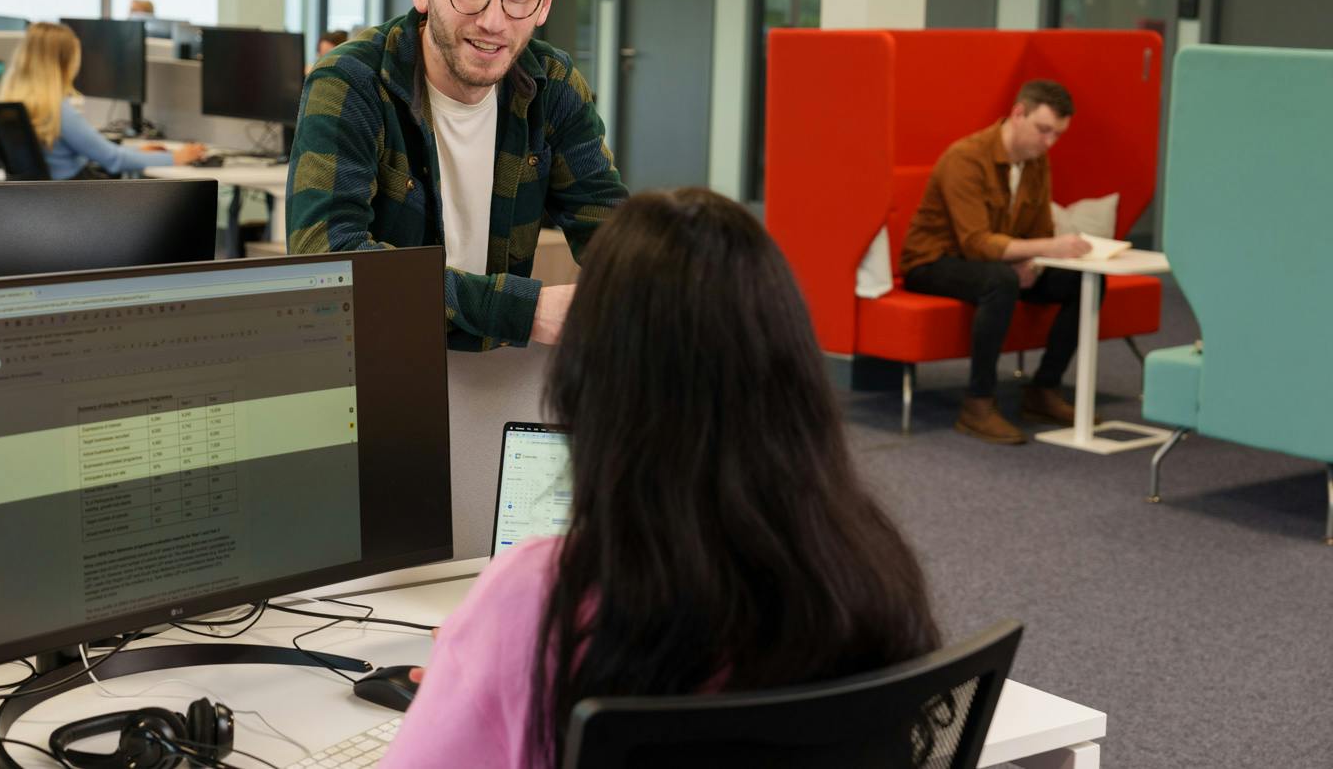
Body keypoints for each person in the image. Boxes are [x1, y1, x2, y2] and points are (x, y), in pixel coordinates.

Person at [381, 189, 941, 768]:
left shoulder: (540, 596)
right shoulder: (863, 569)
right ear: (793, 372)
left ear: (591, 384)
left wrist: (473, 668)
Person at [287, 0, 628, 351]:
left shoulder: (553, 84)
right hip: (373, 368)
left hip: (494, 379)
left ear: (545, 1)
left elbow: (610, 228)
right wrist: (523, 311)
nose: (493, 21)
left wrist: (675, 283)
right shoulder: (350, 81)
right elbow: (326, 261)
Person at [899, 80, 1094, 445]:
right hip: (933, 262)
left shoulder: (1037, 162)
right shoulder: (966, 157)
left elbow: (1038, 230)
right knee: (999, 281)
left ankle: (1044, 389)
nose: (1049, 142)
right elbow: (975, 243)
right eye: (1043, 130)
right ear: (1018, 114)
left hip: (994, 261)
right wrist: (1044, 250)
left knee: (1079, 282)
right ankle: (978, 405)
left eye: (1058, 134)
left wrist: (1034, 263)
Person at [0, 22, 202, 179]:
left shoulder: (16, 104)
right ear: (64, 63)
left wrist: (137, 152)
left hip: (45, 202)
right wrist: (177, 157)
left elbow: (98, 153)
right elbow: (114, 160)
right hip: (77, 201)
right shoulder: (59, 111)